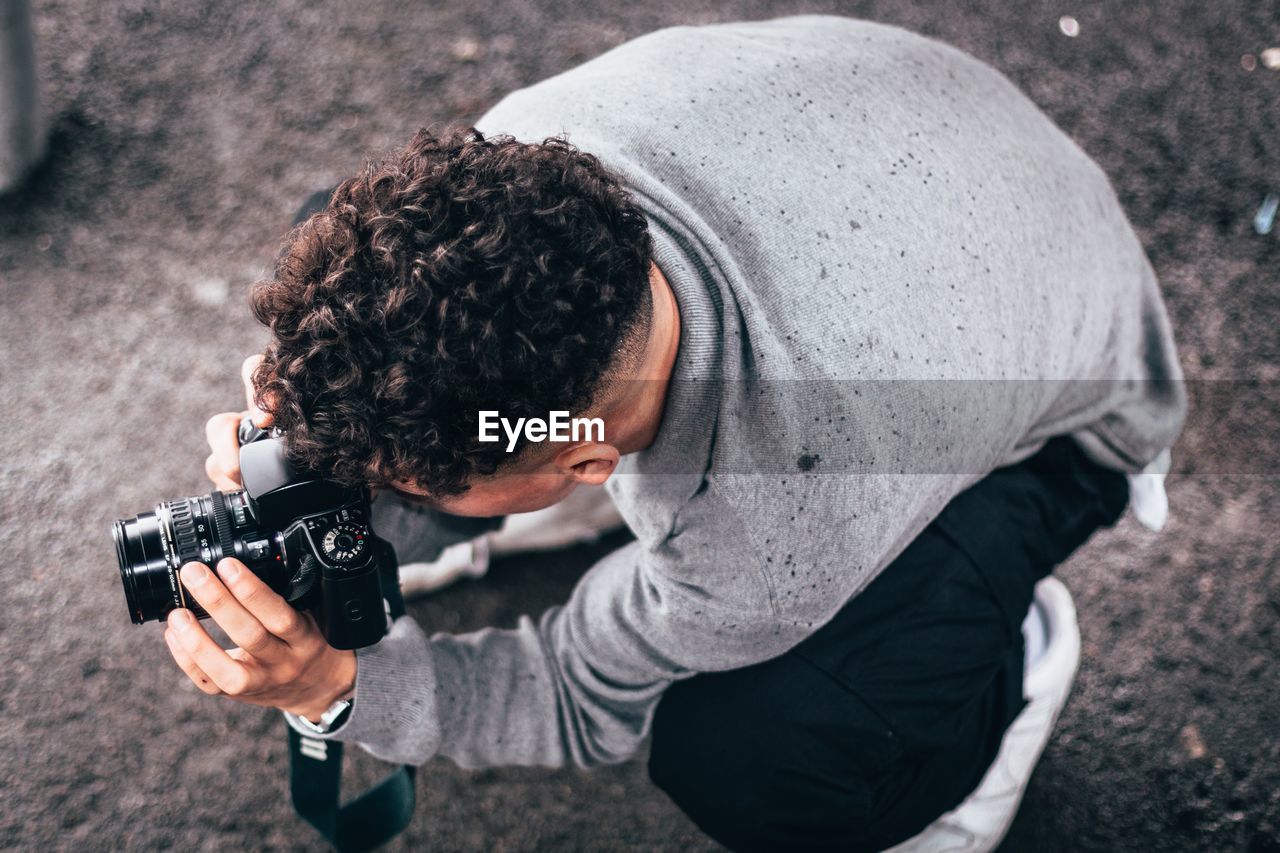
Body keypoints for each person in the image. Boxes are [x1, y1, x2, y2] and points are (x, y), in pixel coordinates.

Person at [162, 15, 1185, 851]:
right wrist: (307, 406)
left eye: (398, 482)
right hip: (938, 147)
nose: (354, 483)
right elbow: (415, 345)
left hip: (1071, 406)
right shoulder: (526, 155)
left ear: (585, 463)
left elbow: (571, 694)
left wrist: (338, 686)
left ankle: (1000, 670)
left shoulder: (762, 535)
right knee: (342, 249)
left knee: (758, 758)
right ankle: (464, 476)